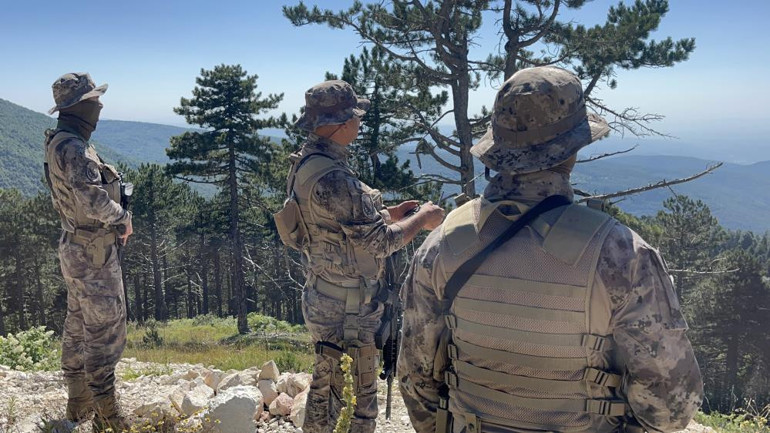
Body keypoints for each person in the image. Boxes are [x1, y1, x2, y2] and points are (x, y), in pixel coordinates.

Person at [399, 66, 703, 433]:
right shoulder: (620, 253)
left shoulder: (441, 245)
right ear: (571, 149)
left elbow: (416, 380)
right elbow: (671, 407)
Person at [274, 79, 444, 433]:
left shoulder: (307, 161)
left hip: (323, 293)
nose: (359, 122)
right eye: (354, 116)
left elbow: (332, 224)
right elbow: (380, 244)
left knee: (327, 386)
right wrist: (422, 219)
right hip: (349, 308)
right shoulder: (337, 178)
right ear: (340, 125)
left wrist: (390, 214)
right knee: (359, 400)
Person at [43, 72, 133, 432]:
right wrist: (123, 218)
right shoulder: (74, 148)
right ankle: (108, 417)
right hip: (93, 249)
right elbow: (93, 198)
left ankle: (78, 405)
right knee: (105, 329)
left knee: (78, 323)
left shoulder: (59, 141)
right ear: (78, 106)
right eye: (94, 100)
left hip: (74, 244)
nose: (99, 105)